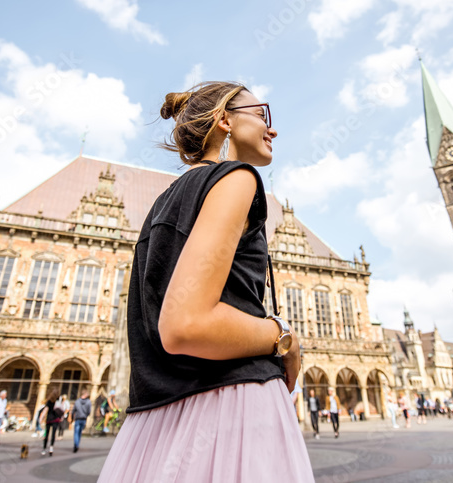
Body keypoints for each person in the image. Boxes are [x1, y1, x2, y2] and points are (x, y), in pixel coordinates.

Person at [97, 82, 313, 482]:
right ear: (224, 120)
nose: (273, 129)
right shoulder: (237, 179)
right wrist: (284, 336)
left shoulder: (165, 201)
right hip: (232, 406)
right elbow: (186, 325)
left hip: (158, 424)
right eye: (261, 114)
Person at [39, 391, 63, 456]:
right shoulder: (58, 402)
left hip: (49, 419)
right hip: (56, 420)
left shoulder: (49, 402)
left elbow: (45, 410)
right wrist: (61, 417)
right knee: (53, 434)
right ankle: (51, 448)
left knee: (46, 434)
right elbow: (61, 409)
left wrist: (41, 418)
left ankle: (44, 448)